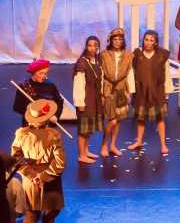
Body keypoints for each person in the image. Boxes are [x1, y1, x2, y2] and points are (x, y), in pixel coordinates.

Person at [11, 99, 66, 223]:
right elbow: (60, 163)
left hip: (30, 181)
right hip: (49, 180)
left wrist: (30, 175)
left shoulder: (21, 134)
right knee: (49, 216)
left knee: (31, 209)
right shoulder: (53, 136)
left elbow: (16, 159)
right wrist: (42, 177)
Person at [128, 30, 171, 154]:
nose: (148, 42)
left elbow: (167, 74)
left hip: (157, 92)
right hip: (141, 92)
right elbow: (131, 72)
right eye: (146, 39)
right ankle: (139, 141)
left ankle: (163, 144)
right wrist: (131, 90)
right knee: (141, 118)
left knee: (160, 118)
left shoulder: (161, 55)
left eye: (151, 40)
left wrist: (166, 92)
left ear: (155, 42)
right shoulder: (137, 54)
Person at [100, 28, 134, 157]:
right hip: (108, 88)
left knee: (118, 119)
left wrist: (130, 92)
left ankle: (113, 145)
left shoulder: (128, 55)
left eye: (120, 39)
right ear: (111, 40)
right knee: (112, 120)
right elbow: (101, 73)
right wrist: (101, 92)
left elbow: (130, 73)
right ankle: (104, 144)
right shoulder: (104, 54)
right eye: (115, 39)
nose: (117, 41)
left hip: (122, 88)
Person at [73, 36, 105, 164]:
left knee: (89, 128)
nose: (92, 48)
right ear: (86, 46)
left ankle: (86, 151)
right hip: (86, 99)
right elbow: (78, 84)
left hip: (95, 99)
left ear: (98, 47)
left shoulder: (97, 61)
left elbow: (101, 80)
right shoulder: (82, 63)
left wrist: (101, 95)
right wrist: (80, 102)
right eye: (90, 45)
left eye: (95, 45)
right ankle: (81, 155)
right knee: (83, 129)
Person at [12, 58, 64, 127]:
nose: (44, 76)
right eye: (41, 73)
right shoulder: (24, 86)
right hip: (30, 125)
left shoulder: (50, 85)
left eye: (46, 73)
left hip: (47, 124)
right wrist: (30, 111)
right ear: (33, 73)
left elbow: (59, 102)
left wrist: (56, 115)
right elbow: (16, 107)